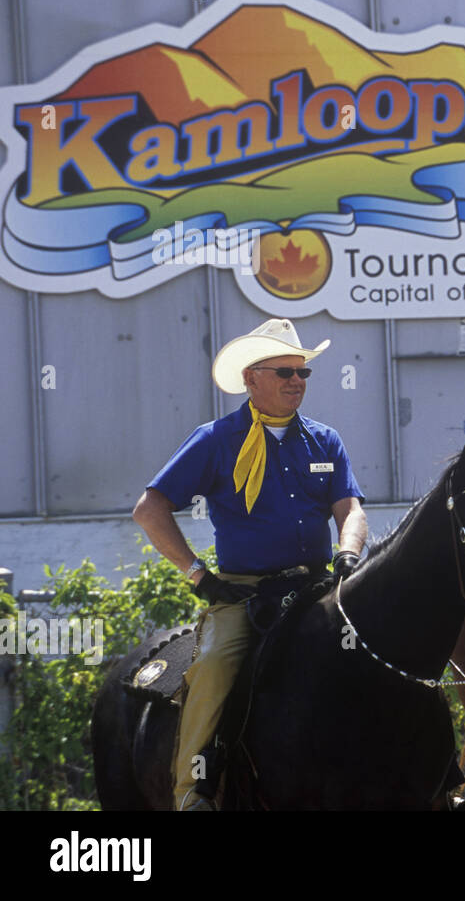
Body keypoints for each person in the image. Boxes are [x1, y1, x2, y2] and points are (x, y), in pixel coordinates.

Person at [132, 318, 367, 810]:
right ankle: (193, 791)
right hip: (243, 593)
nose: (296, 382)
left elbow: (350, 508)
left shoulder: (326, 440)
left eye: (303, 373)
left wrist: (349, 552)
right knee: (215, 665)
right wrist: (200, 577)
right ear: (251, 377)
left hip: (318, 586)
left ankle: (441, 781)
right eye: (284, 372)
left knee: (383, 645)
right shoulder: (214, 439)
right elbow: (149, 510)